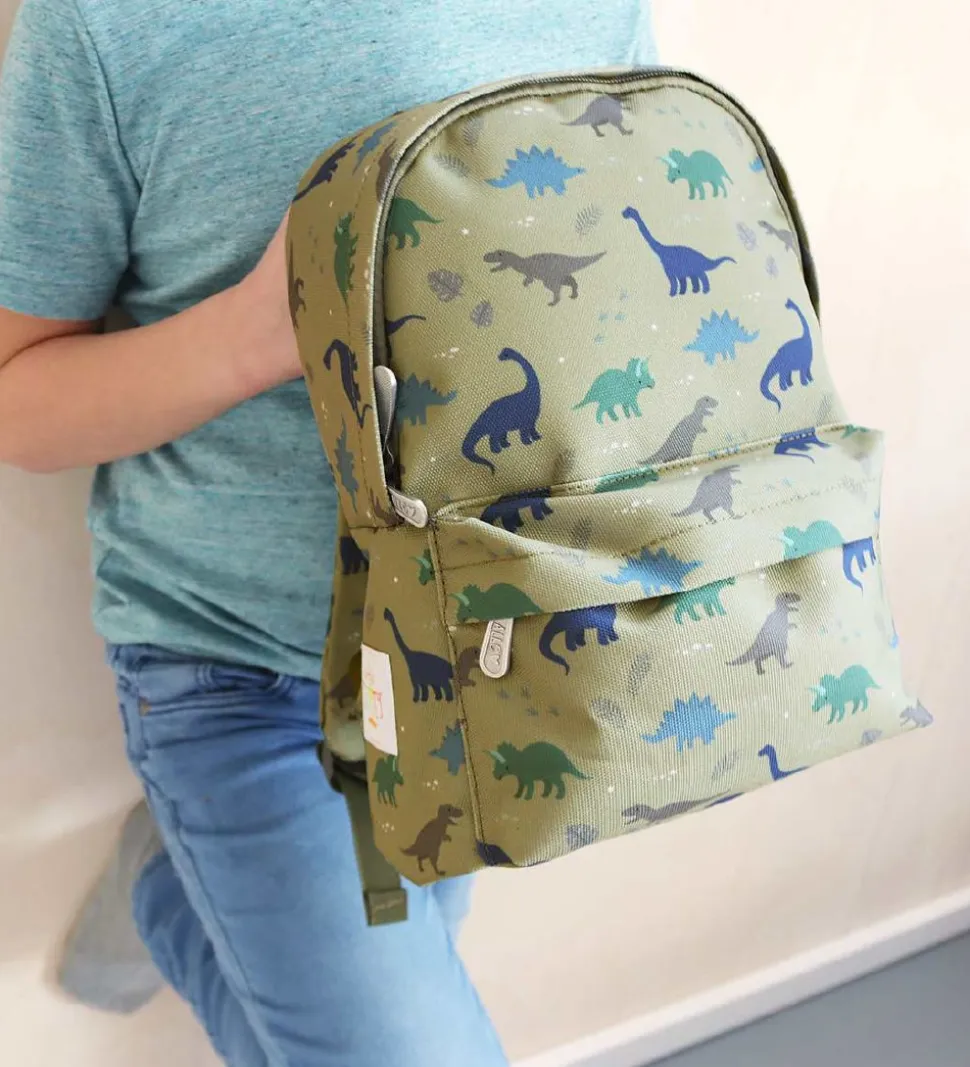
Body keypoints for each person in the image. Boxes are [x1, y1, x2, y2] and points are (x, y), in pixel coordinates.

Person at [0, 1, 658, 1064]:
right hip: (240, 671)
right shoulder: (102, 23)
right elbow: (13, 396)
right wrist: (254, 335)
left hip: (480, 652)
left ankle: (172, 887)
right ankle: (175, 886)